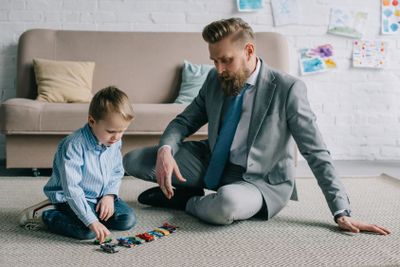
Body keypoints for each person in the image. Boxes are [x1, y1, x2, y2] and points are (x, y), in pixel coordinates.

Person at [123, 18, 390, 235]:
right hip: (212, 160)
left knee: (225, 206)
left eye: (226, 60)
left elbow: (316, 152)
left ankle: (188, 201)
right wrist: (166, 150)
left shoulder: (288, 89)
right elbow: (184, 121)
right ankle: (196, 188)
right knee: (135, 160)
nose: (219, 68)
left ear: (249, 51)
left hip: (260, 181)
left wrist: (341, 211)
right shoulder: (215, 80)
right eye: (214, 61)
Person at [19, 86, 136, 243]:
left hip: (101, 196)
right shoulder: (73, 145)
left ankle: (92, 213)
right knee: (87, 232)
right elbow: (72, 189)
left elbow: (116, 170)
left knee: (126, 220)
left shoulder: (114, 140)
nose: (117, 137)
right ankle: (46, 214)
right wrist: (91, 221)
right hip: (71, 197)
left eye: (122, 131)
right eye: (111, 131)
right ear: (91, 121)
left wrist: (109, 195)